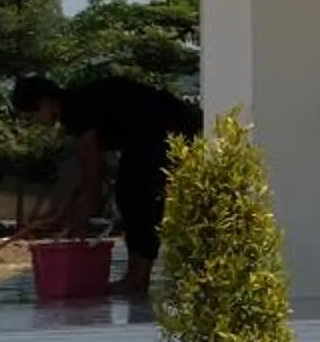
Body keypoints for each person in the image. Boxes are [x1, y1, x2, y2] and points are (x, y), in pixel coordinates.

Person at [12, 74, 201, 299]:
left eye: (32, 116)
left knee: (136, 197)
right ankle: (136, 275)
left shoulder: (75, 108)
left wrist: (83, 214)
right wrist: (73, 206)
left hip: (168, 128)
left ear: (44, 102)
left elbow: (94, 169)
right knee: (131, 194)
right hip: (151, 133)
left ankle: (137, 279)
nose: (36, 123)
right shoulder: (75, 105)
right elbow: (85, 169)